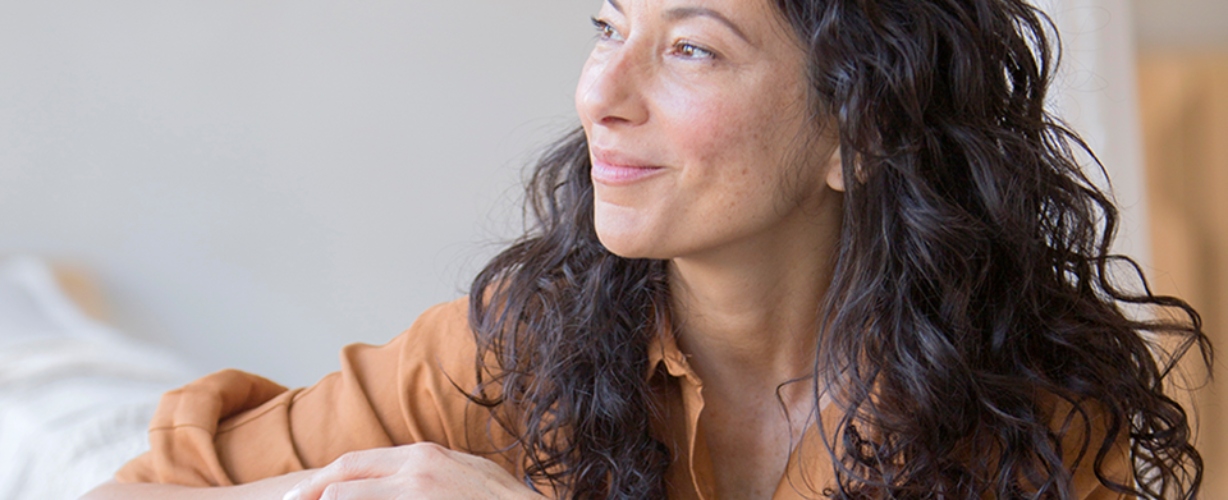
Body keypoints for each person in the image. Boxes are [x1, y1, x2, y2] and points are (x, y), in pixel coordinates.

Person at [83, 0, 1210, 498]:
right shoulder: (512, 347)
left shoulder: (1029, 420)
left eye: (691, 50)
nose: (600, 95)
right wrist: (346, 489)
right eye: (609, 28)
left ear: (858, 130)